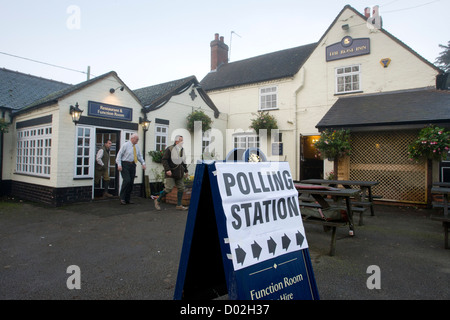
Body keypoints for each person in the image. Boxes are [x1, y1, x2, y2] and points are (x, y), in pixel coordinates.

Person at [154, 135, 189, 211]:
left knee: (181, 188)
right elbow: (164, 160)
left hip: (179, 173)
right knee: (168, 189)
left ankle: (179, 205)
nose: (182, 142)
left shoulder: (182, 150)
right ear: (176, 141)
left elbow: (183, 161)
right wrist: (167, 170)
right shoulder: (170, 149)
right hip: (171, 173)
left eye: (182, 140)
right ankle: (157, 200)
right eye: (181, 140)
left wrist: (186, 171)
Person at [116, 133, 146, 205]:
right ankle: (122, 198)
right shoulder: (125, 145)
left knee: (131, 182)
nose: (137, 141)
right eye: (136, 139)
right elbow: (119, 155)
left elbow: (139, 156)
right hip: (125, 164)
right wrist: (119, 165)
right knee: (127, 180)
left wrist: (143, 163)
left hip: (133, 165)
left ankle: (127, 199)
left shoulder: (136, 147)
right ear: (132, 138)